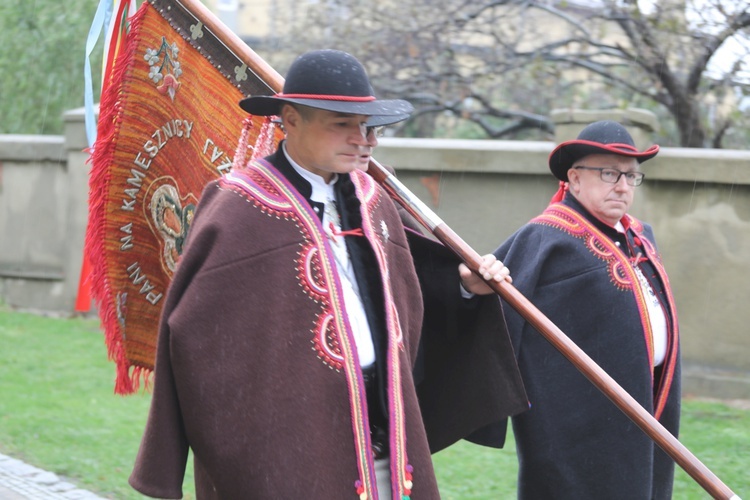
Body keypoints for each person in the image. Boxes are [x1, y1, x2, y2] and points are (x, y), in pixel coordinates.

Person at [129, 49, 528, 499]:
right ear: (290, 120)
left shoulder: (375, 198)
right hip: (290, 439)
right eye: (342, 123)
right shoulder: (238, 206)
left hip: (384, 427)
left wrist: (464, 286)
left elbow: (408, 291)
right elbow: (195, 339)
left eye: (368, 126)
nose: (363, 139)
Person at [493, 120, 681, 499]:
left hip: (647, 402)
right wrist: (469, 284)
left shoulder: (639, 235)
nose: (623, 186)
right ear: (575, 179)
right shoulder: (545, 236)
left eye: (631, 175)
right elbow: (493, 310)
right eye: (609, 173)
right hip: (575, 421)